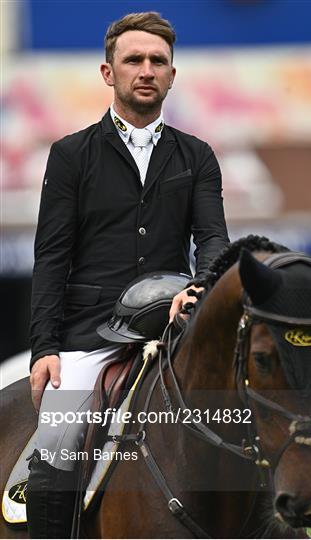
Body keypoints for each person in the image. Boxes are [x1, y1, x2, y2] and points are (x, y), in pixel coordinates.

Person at [26, 11, 229, 538]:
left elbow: (212, 240)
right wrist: (44, 348)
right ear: (107, 72)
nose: (146, 69)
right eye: (133, 60)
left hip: (173, 324)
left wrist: (201, 293)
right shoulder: (70, 155)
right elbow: (51, 256)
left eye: (157, 61)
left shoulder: (198, 155)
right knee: (51, 467)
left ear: (172, 75)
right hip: (87, 334)